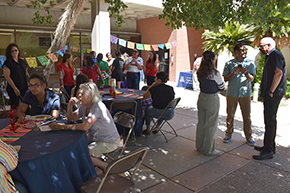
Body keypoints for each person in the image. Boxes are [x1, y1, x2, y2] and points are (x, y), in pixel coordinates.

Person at [49, 82, 120, 171]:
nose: (79, 95)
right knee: (74, 146)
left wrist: (62, 127)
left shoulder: (97, 106)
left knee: (82, 154)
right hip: (96, 138)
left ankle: (105, 166)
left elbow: (84, 127)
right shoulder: (84, 106)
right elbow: (71, 119)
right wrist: (70, 106)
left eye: (82, 94)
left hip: (109, 141)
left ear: (91, 96)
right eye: (79, 93)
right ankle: (90, 166)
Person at [253, 37, 287, 160]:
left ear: (269, 45)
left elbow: (279, 73)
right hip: (271, 93)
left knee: (270, 120)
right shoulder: (270, 55)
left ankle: (268, 151)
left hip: (274, 93)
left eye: (262, 46)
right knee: (269, 120)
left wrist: (271, 91)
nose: (260, 48)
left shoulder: (275, 55)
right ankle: (268, 146)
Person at [222, 42, 256, 146]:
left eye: (246, 50)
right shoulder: (229, 63)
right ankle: (228, 134)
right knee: (230, 115)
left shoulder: (250, 63)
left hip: (245, 94)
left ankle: (249, 136)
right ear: (236, 52)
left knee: (247, 116)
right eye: (242, 50)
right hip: (232, 93)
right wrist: (234, 72)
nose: (244, 52)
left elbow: (252, 79)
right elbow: (225, 79)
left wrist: (246, 73)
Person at [196, 51, 225, 156]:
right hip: (212, 99)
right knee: (211, 125)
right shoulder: (215, 73)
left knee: (201, 123)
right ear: (212, 59)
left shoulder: (199, 72)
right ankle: (209, 150)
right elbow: (222, 88)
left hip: (202, 97)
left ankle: (199, 145)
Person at [3, 43, 28, 109]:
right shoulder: (7, 63)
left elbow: (26, 73)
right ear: (9, 52)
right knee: (15, 106)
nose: (14, 52)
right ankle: (14, 119)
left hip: (24, 86)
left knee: (26, 106)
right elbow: (7, 77)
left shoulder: (22, 62)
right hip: (13, 88)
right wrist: (15, 88)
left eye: (16, 50)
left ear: (18, 51)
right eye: (12, 51)